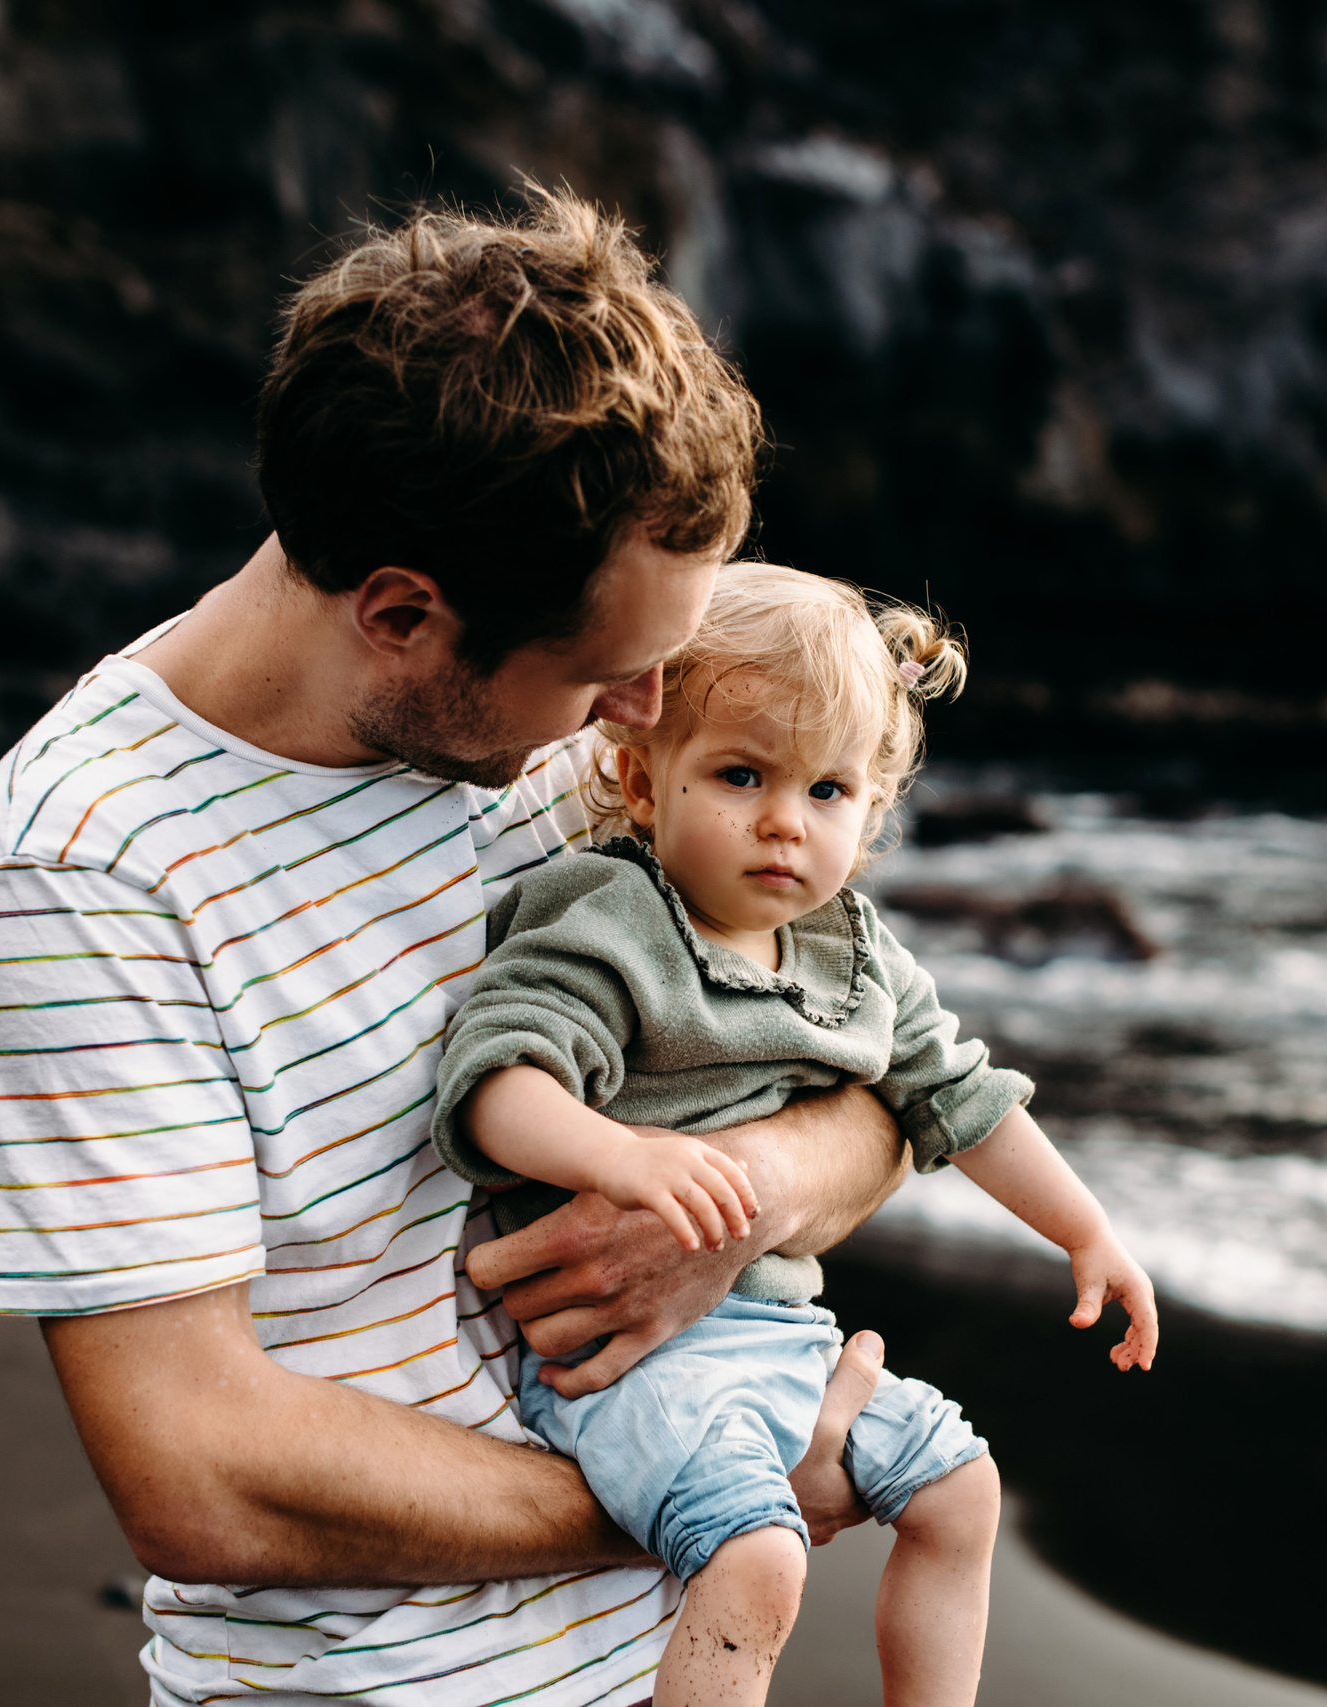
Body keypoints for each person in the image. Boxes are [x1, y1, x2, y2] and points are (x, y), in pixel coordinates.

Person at [0, 191, 911, 1707]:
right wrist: (725, 1490)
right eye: (606, 674)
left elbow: (878, 1070)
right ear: (402, 613)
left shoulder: (551, 754)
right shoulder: (82, 868)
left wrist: (748, 1194)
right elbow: (203, 1473)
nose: (648, 717)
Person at [429, 565, 1160, 1707]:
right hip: (626, 1368)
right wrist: (619, 1156)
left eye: (827, 790)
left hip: (780, 1340)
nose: (784, 820)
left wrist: (1086, 1229)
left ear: (871, 811)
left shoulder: (851, 951)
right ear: (638, 775)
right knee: (758, 1561)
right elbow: (495, 1084)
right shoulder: (610, 913)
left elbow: (959, 1098)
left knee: (963, 1493)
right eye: (739, 774)